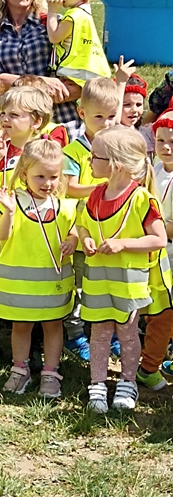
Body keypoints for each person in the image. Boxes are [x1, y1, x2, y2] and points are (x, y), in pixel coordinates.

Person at [78, 126, 169, 413]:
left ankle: (128, 382)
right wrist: (85, 238)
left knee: (128, 334)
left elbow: (159, 239)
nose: (89, 161)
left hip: (128, 283)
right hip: (98, 280)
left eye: (95, 156)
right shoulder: (95, 194)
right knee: (99, 333)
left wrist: (123, 244)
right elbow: (82, 225)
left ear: (116, 164)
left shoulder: (141, 199)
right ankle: (97, 384)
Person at [0, 139, 78, 399]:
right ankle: (20, 369)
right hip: (19, 286)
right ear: (24, 174)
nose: (47, 183)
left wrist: (72, 241)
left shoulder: (64, 205)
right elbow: (1, 235)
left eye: (53, 176)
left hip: (52, 284)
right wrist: (8, 213)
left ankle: (51, 372)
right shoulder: (13, 201)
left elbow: (73, 230)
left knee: (53, 325)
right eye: (39, 176)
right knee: (21, 326)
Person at [0, 86, 53, 366]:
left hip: (26, 237)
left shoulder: (42, 151)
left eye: (14, 115)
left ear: (36, 121)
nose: (5, 119)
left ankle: (32, 348)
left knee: (29, 290)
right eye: (4, 113)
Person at [0, 0, 81, 136]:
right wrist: (41, 83)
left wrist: (70, 90)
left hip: (63, 122)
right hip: (17, 128)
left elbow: (80, 75)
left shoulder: (54, 25)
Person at [62, 77, 122, 362]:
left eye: (111, 116)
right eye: (99, 117)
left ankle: (111, 335)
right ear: (81, 113)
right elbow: (69, 187)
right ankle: (75, 335)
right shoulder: (73, 151)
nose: (106, 123)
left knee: (108, 285)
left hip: (111, 231)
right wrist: (103, 188)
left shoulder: (119, 149)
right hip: (80, 230)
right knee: (79, 285)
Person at [137, 111, 173, 392]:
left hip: (166, 251)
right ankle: (149, 366)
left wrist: (152, 228)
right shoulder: (155, 168)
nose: (166, 147)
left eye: (172, 142)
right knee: (157, 314)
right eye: (160, 140)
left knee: (164, 316)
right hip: (157, 254)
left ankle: (149, 367)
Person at [46, 0, 110, 94]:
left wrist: (52, 12)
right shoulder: (85, 13)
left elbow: (54, 37)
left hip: (75, 75)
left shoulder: (74, 16)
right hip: (91, 73)